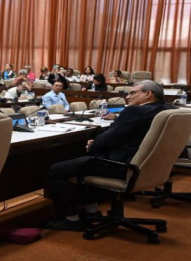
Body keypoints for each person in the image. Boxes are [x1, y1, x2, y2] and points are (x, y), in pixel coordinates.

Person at [44, 81, 173, 231]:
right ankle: (92, 209)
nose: (127, 97)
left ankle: (71, 218)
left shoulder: (135, 111)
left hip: (120, 165)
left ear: (148, 94)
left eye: (132, 93)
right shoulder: (168, 110)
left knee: (56, 169)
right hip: (146, 165)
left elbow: (108, 139)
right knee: (84, 161)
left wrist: (94, 144)